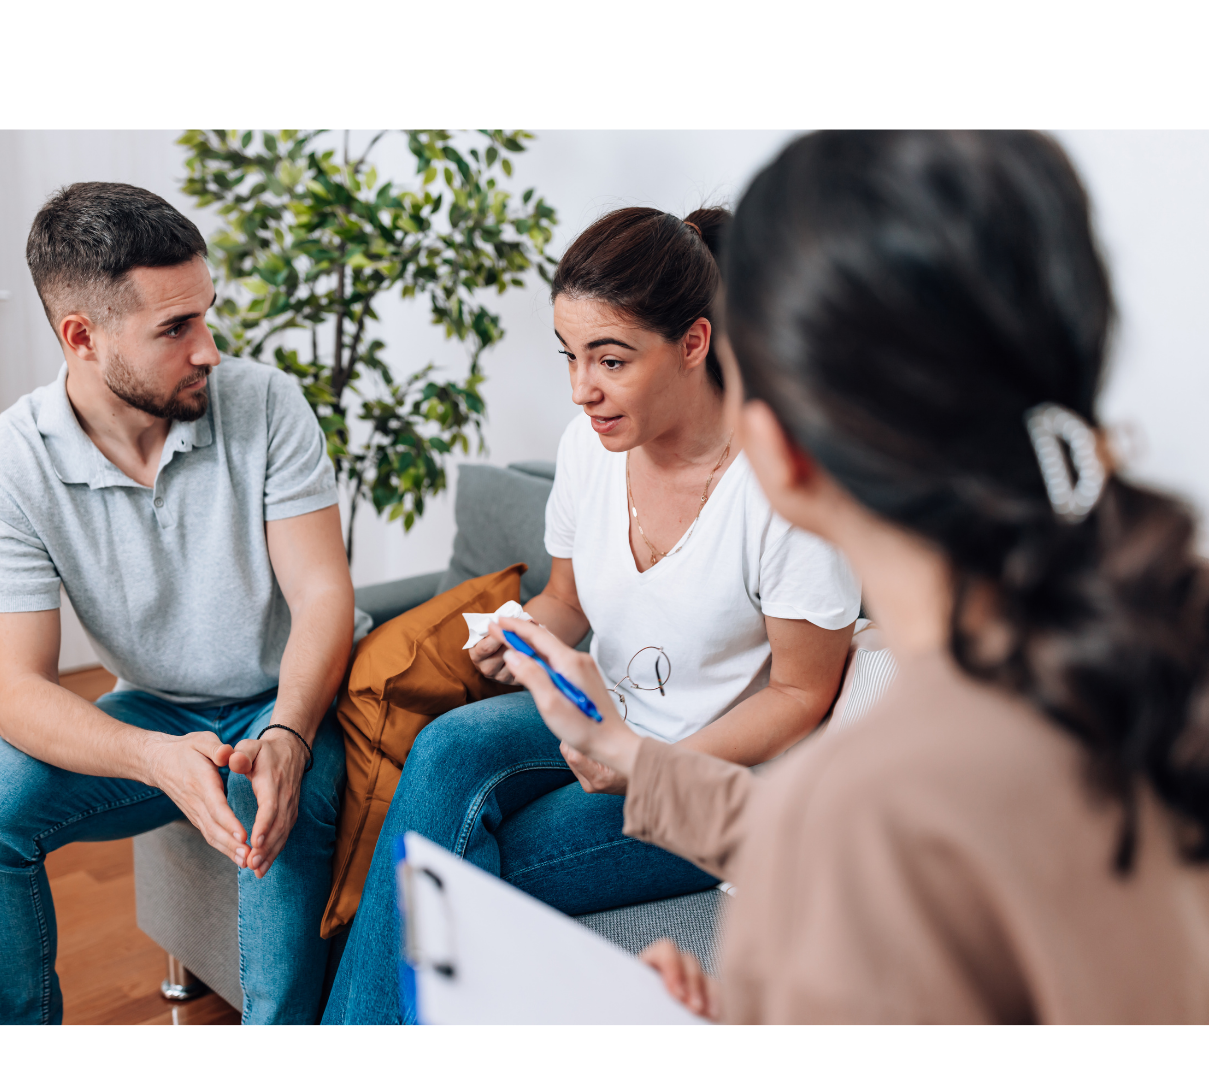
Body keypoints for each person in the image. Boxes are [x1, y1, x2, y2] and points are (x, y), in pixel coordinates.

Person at [499, 129, 1209, 1024]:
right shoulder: (1145, 644)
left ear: (781, 447)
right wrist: (636, 758)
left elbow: (859, 847)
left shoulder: (872, 806)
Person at [326, 207, 861, 1024]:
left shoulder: (780, 489)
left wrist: (644, 764)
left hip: (704, 778)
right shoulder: (591, 447)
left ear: (694, 342)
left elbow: (802, 695)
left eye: (610, 359)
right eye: (570, 357)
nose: (583, 390)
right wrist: (522, 638)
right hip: (594, 714)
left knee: (445, 873)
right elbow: (568, 602)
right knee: (443, 749)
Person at [0, 183, 354, 1025]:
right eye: (175, 329)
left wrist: (289, 734)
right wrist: (152, 757)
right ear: (81, 337)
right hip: (156, 712)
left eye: (207, 314)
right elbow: (15, 690)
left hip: (290, 701)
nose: (210, 350)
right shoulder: (6, 470)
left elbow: (321, 592)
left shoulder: (265, 404)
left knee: (277, 814)